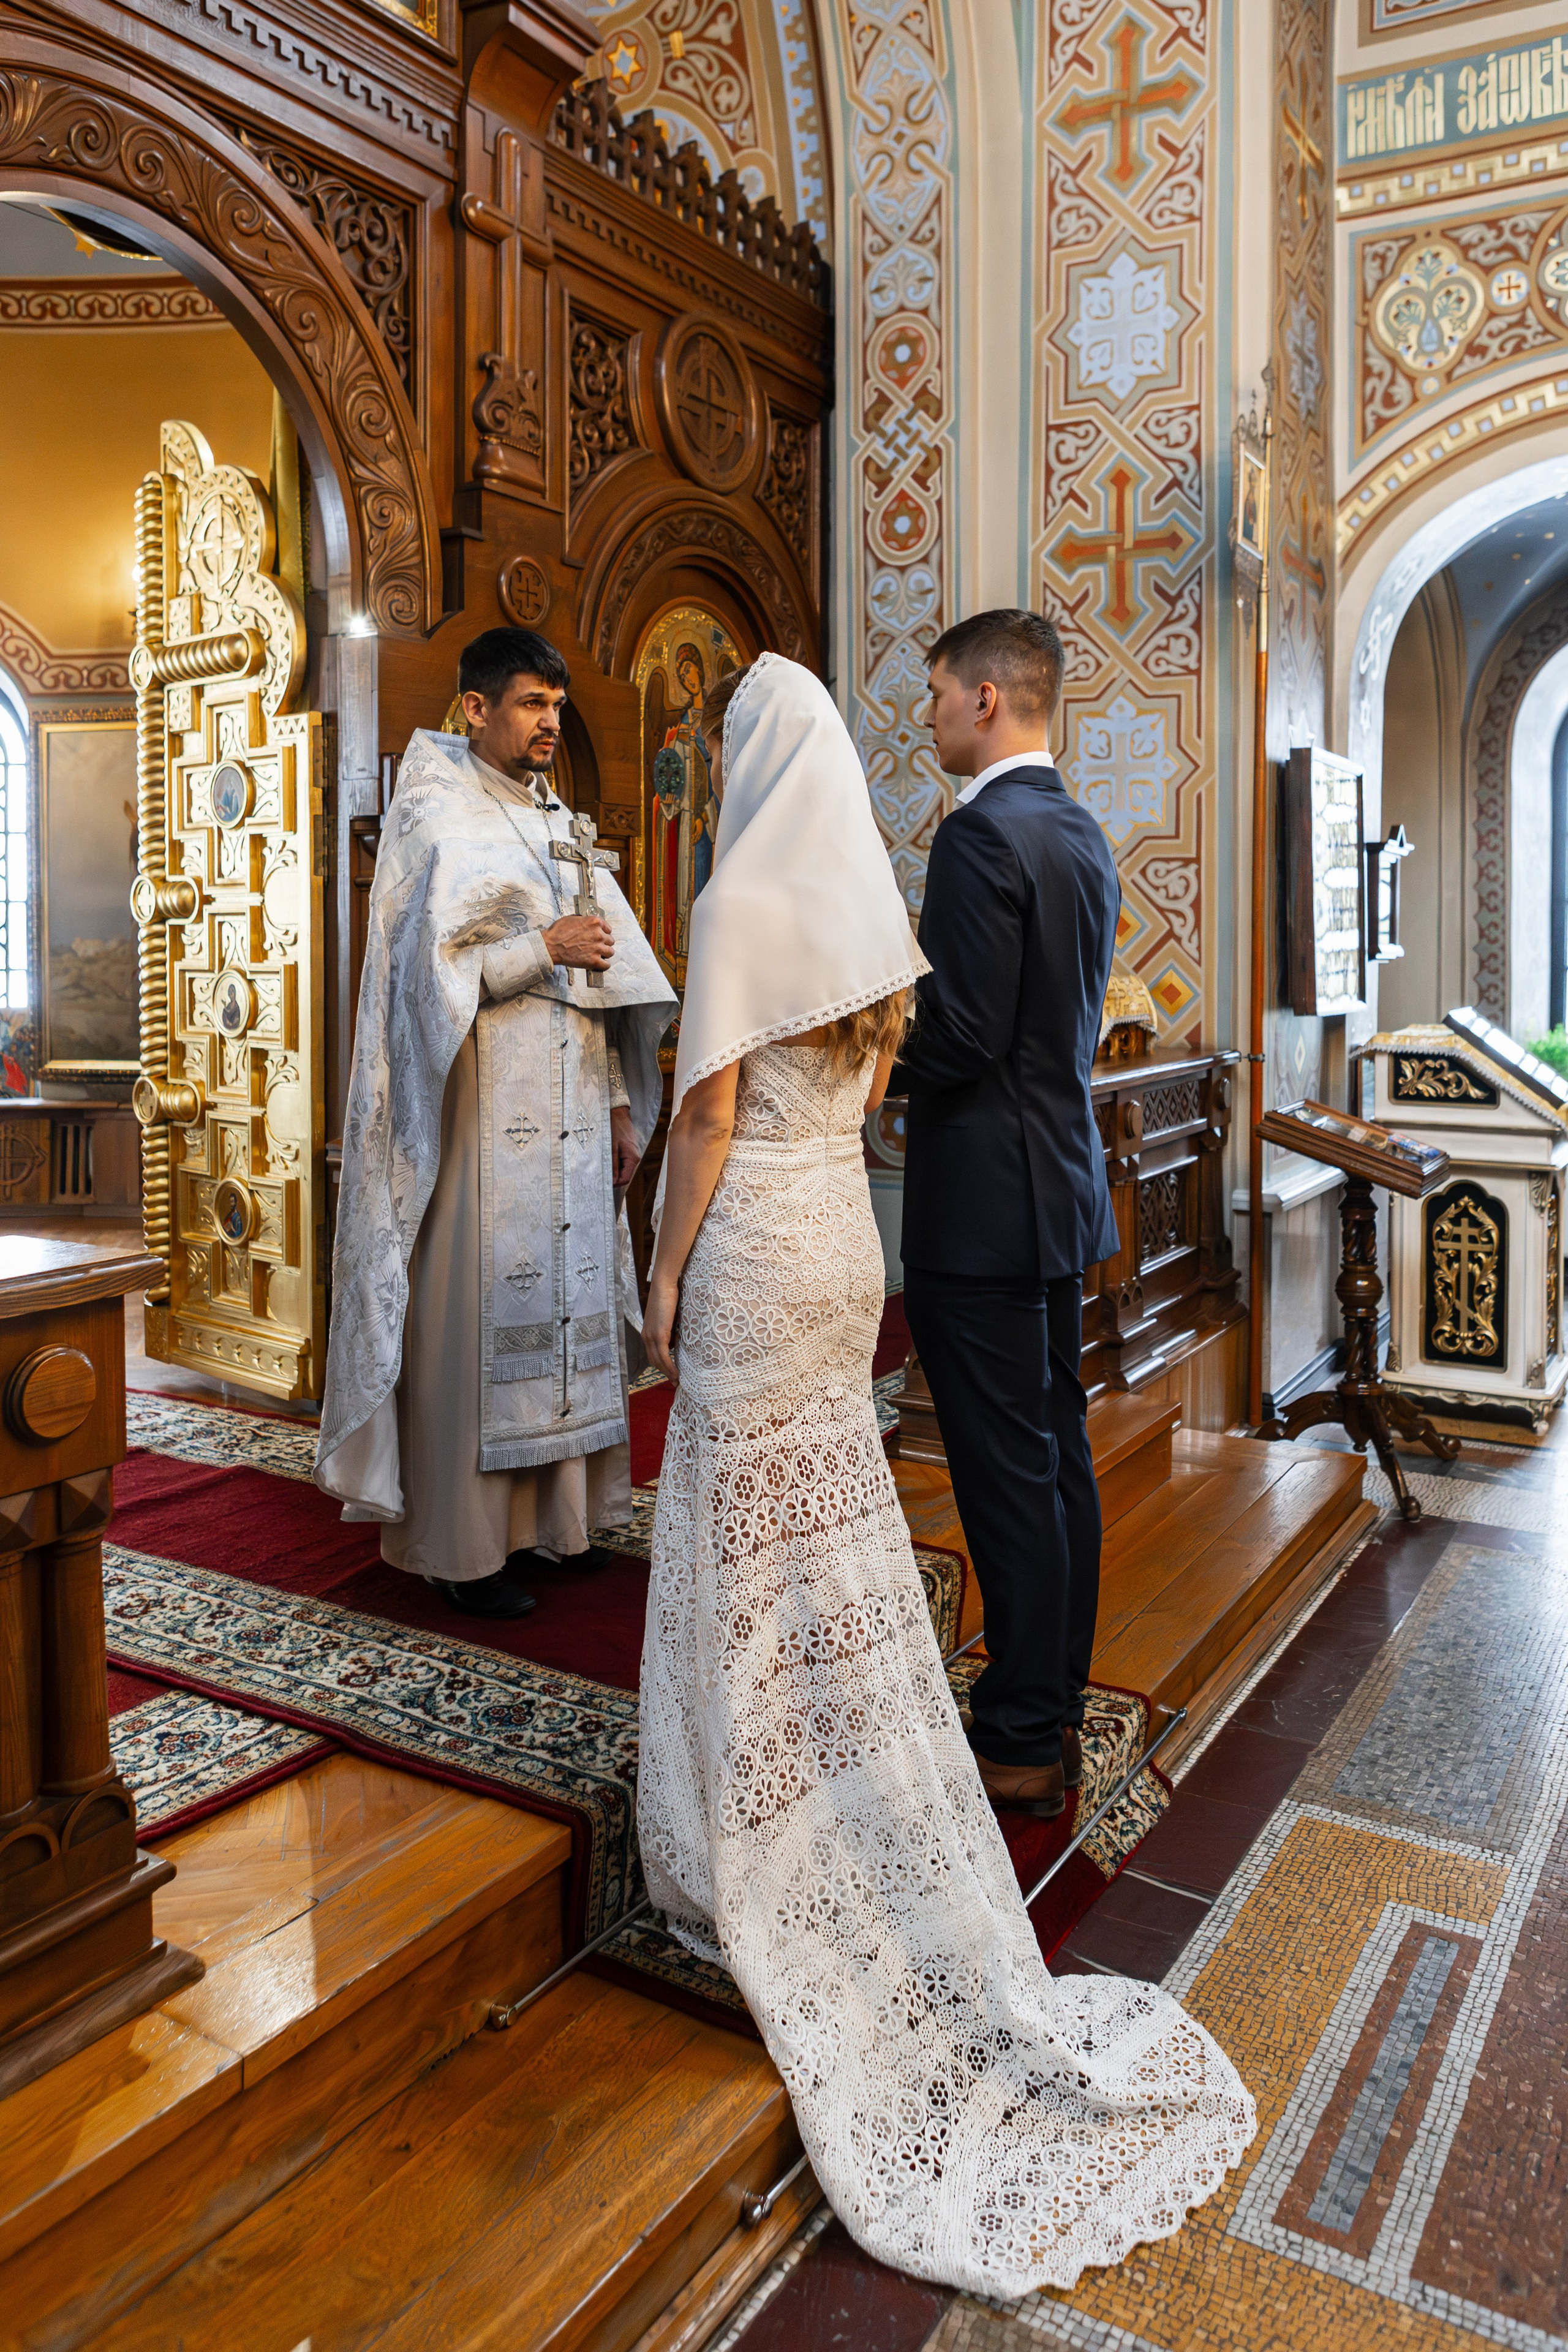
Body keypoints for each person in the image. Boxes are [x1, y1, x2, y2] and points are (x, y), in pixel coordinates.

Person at [635, 650, 1253, 2297]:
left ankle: (739, 1824)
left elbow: (700, 1124)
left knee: (749, 1524)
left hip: (775, 1235)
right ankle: (945, 1743)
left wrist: (662, 1268)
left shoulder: (749, 909)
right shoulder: (880, 916)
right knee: (855, 1518)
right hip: (860, 1236)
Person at [315, 627, 676, 1617]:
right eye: (529, 703)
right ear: (475, 709)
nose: (549, 721)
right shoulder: (433, 818)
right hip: (478, 1112)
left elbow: (601, 976)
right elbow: (415, 988)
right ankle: (461, 1548)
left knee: (568, 1315)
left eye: (556, 705)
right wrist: (537, 948)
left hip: (567, 1109)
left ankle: (559, 1525)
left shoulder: (561, 822)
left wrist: (614, 1104)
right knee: (479, 1319)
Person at [899, 608, 1118, 1820]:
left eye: (935, 692)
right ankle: (1049, 1700)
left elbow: (965, 1038)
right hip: (1054, 1189)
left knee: (1000, 1476)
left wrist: (868, 1052)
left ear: (985, 699)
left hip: (980, 1200)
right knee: (1051, 1462)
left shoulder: (979, 835)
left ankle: (1024, 1736)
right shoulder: (1074, 829)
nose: (927, 713)